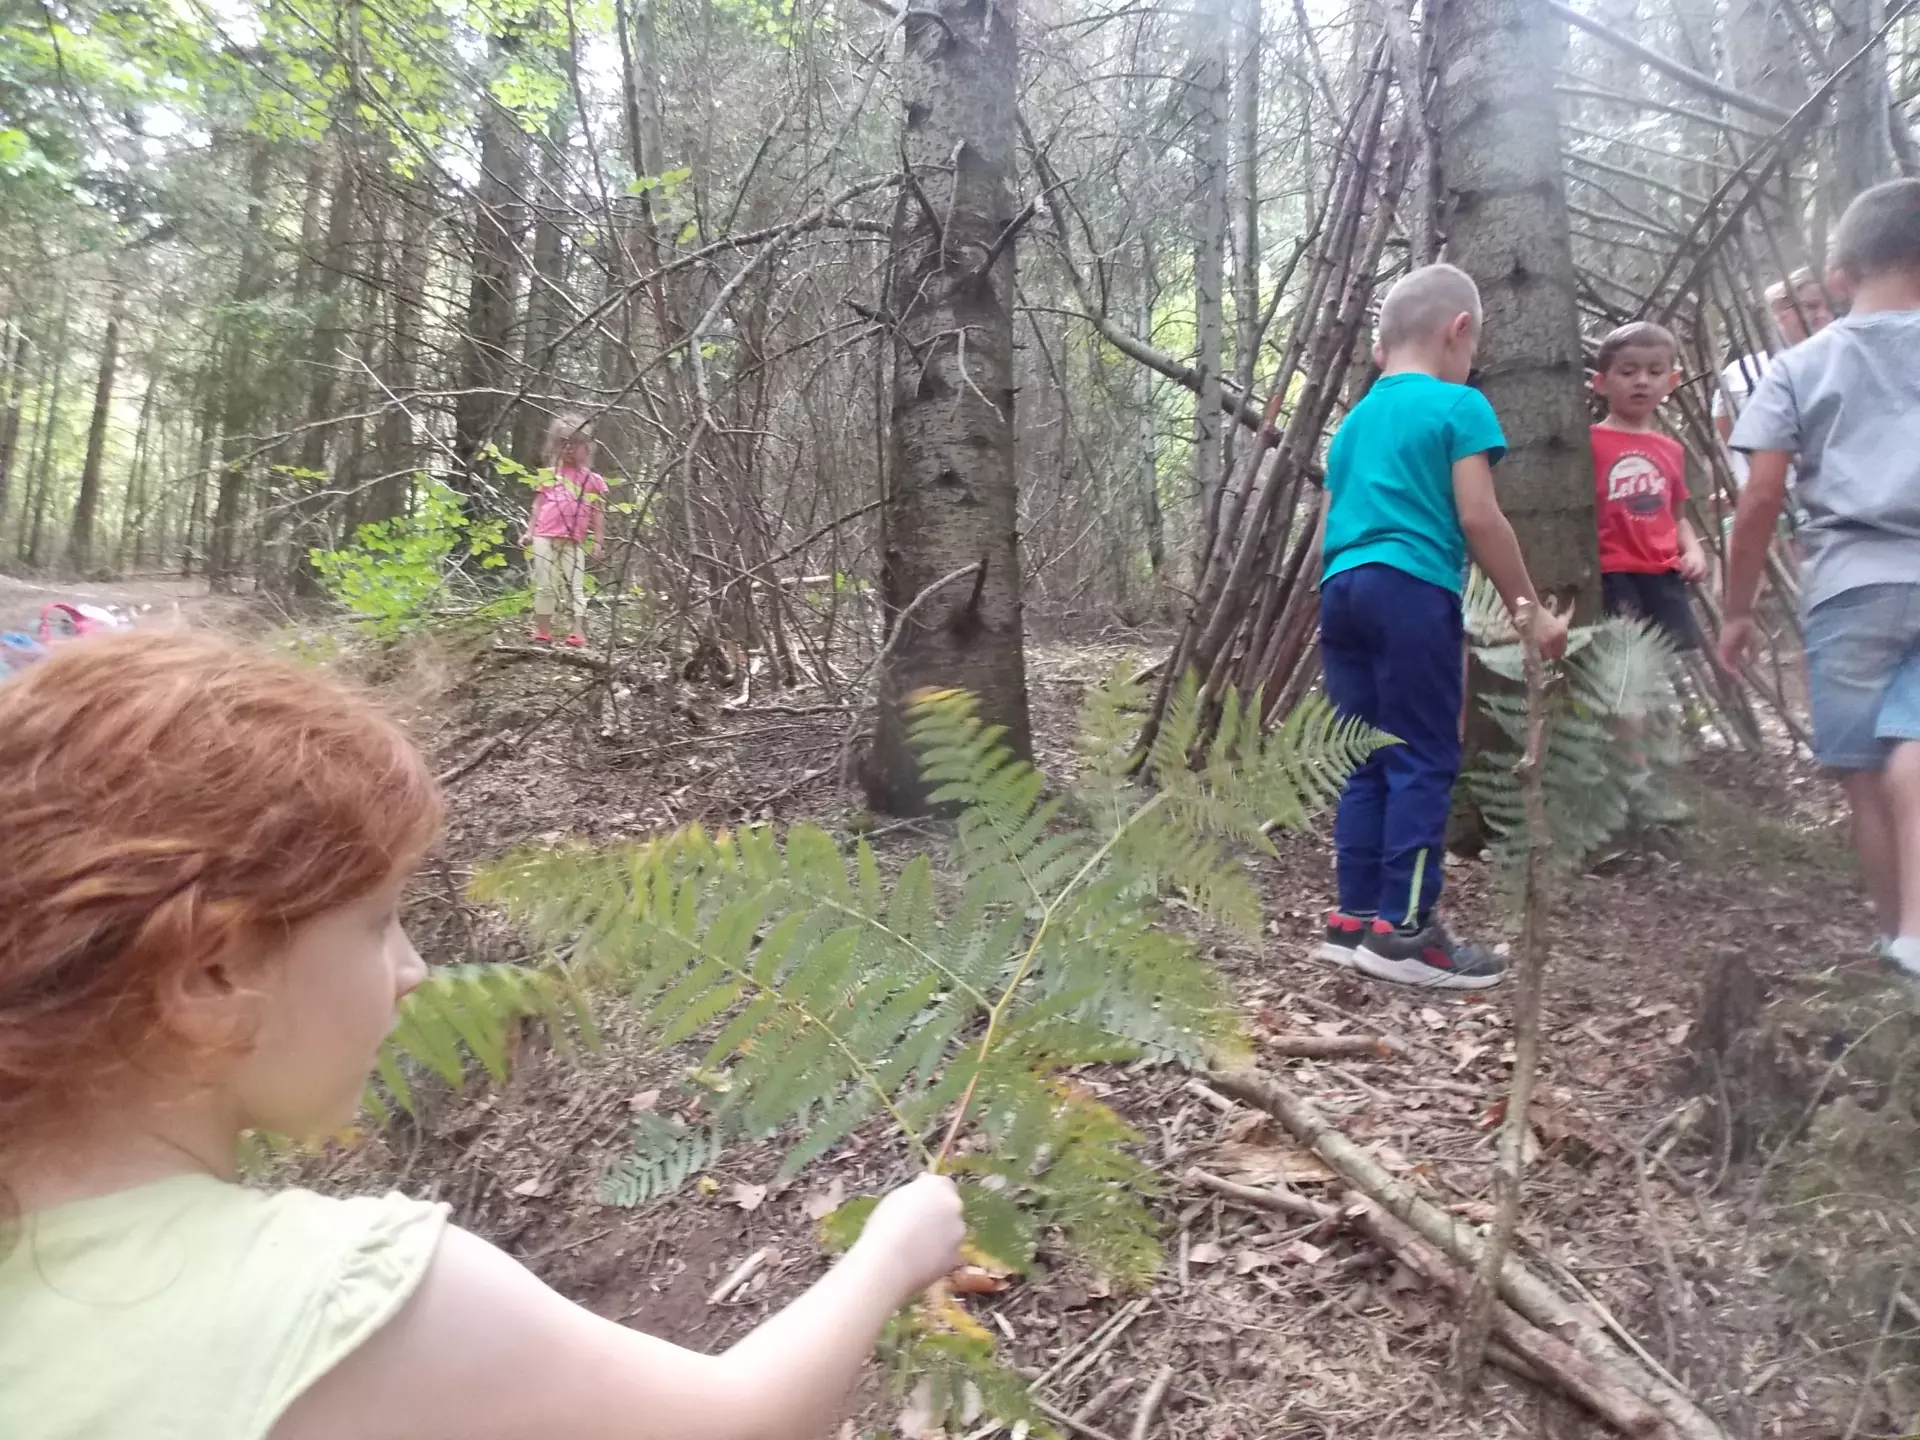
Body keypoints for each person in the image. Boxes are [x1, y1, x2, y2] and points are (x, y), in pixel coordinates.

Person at [0, 629, 966, 1440]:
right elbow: (734, 1422)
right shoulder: (349, 1299)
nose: (417, 968)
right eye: (378, 922)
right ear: (212, 972)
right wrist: (893, 1252)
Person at [1315, 263, 1568, 991]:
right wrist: (1529, 609)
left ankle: (1356, 920)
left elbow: (1330, 522)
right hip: (1412, 588)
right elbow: (1479, 516)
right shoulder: (1460, 408)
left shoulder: (1354, 423)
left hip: (1341, 587)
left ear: (1378, 350)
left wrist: (1334, 591)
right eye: (1473, 345)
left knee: (1361, 753)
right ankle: (1410, 934)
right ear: (1459, 331)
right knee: (1423, 753)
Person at [1721, 179, 1920, 977]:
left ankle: (1897, 939)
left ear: (1838, 276)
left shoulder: (1800, 365)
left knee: (1866, 773)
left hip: (1848, 585)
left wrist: (1738, 609)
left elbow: (1761, 494)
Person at [1590, 320, 1707, 647]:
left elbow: (1677, 516)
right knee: (1621, 662)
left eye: (1655, 372)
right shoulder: (1589, 442)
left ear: (1672, 381)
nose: (1641, 381)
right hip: (1613, 573)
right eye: (1627, 372)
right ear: (1601, 382)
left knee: (1667, 659)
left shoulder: (1671, 450)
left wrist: (1694, 550)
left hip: (1664, 574)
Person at [1712, 268, 1834, 490]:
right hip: (1779, 493)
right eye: (1811, 306)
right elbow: (1725, 433)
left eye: (1830, 306)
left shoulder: (1845, 360)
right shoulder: (1740, 372)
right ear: (1778, 313)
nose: (1823, 314)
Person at [527, 413, 608, 648]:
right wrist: (529, 532)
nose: (570, 449)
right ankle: (543, 632)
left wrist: (598, 541)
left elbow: (598, 512)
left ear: (588, 447)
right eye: (564, 443)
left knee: (576, 586)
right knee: (545, 586)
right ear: (555, 445)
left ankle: (577, 632)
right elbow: (538, 505)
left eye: (576, 444)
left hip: (573, 541)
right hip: (544, 536)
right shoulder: (549, 476)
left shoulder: (593, 481)